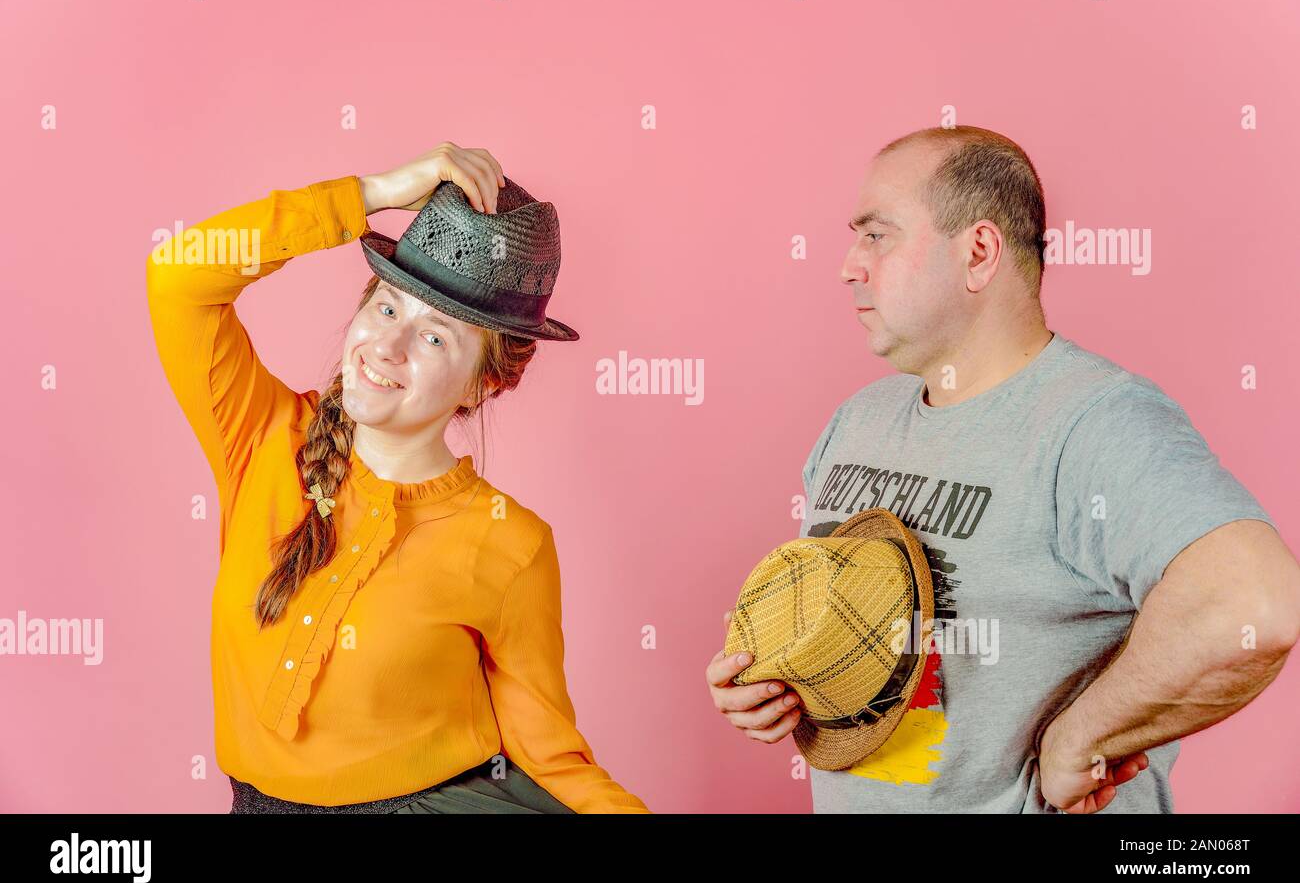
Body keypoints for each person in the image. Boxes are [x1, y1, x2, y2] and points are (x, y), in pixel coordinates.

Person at [706, 125, 1300, 813]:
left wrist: (1080, 739)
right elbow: (859, 641)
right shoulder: (857, 421)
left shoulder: (1093, 422)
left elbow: (1255, 602)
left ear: (979, 252)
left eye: (877, 235)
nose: (848, 265)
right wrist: (773, 687)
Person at [147, 142, 648, 813]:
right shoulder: (263, 439)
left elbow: (553, 758)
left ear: (482, 384)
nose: (386, 346)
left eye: (436, 337)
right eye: (386, 307)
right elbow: (177, 275)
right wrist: (367, 194)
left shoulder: (512, 545)